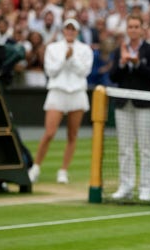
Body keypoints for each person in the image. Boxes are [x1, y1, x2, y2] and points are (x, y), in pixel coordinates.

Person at [28, 19, 93, 184]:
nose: (70, 32)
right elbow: (51, 71)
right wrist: (65, 58)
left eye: (73, 29)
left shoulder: (85, 49)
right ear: (63, 31)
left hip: (77, 93)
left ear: (77, 32)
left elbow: (84, 72)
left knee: (72, 134)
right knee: (49, 133)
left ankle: (63, 170)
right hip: (57, 92)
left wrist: (71, 59)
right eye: (67, 29)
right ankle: (35, 167)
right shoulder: (53, 48)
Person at [109, 15, 150, 201]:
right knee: (125, 148)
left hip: (146, 105)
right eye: (130, 26)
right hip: (124, 105)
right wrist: (123, 62)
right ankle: (126, 186)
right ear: (127, 30)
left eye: (136, 26)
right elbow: (113, 76)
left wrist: (137, 63)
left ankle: (146, 187)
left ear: (142, 30)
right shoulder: (119, 50)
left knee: (146, 148)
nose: (133, 29)